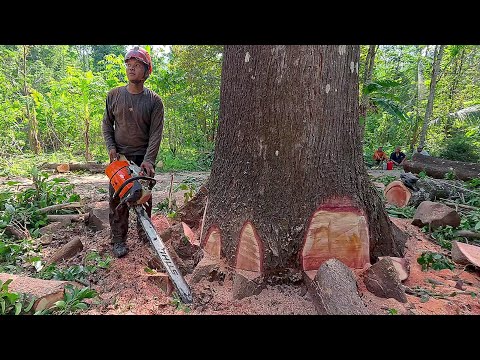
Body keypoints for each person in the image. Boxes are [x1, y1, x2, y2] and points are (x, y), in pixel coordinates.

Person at [102, 46, 164, 258]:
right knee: (117, 199)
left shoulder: (154, 101)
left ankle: (145, 234)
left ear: (146, 71)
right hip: (120, 157)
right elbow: (106, 125)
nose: (131, 69)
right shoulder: (114, 95)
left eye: (137, 66)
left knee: (144, 198)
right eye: (129, 65)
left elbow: (156, 134)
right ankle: (118, 239)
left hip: (142, 157)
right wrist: (111, 148)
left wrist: (149, 160)